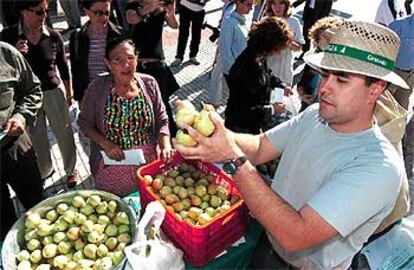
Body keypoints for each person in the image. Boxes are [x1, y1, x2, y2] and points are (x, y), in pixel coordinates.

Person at [173, 20, 407, 269]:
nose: (324, 87)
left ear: (375, 90)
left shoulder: (379, 168)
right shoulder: (314, 115)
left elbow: (296, 235)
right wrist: (212, 135)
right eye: (325, 75)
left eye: (341, 79)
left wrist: (233, 158)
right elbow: (261, 146)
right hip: (267, 242)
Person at [78, 38, 174, 197]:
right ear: (108, 64)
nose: (126, 64)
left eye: (130, 58)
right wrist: (106, 144)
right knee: (118, 210)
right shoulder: (97, 88)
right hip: (113, 162)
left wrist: (165, 145)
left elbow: (162, 118)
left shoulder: (149, 83)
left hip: (148, 164)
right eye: (118, 60)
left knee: (149, 201)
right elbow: (84, 122)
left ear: (137, 59)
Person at [1, 0, 79, 186]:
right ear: (23, 11)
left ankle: (70, 169)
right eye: (38, 12)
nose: (43, 16)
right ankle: (45, 170)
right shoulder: (8, 37)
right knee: (37, 139)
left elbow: (62, 66)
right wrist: (15, 54)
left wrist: (68, 95)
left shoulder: (52, 35)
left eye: (45, 11)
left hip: (52, 93)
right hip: (26, 99)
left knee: (64, 134)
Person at [0, 41, 44, 240]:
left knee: (38, 210)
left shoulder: (6, 53)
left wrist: (21, 116)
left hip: (16, 147)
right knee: (3, 224)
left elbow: (33, 90)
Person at [224, 17, 292, 134]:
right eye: (277, 49)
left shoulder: (258, 57)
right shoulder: (244, 69)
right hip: (240, 128)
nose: (279, 52)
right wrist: (272, 109)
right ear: (268, 45)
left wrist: (281, 85)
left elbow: (268, 74)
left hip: (252, 124)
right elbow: (243, 111)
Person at [126, 0, 180, 136]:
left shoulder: (160, 9)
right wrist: (150, 7)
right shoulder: (134, 6)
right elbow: (131, 18)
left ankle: (171, 138)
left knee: (163, 105)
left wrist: (171, 13)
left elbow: (174, 25)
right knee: (141, 106)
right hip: (139, 68)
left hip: (157, 66)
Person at [70, 0, 125, 104]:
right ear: (87, 11)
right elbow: (76, 70)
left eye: (107, 13)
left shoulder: (119, 35)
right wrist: (79, 98)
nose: (103, 18)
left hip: (115, 96)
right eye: (98, 13)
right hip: (89, 96)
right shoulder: (77, 37)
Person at [389, 13, 414, 211]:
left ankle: (392, 147)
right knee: (381, 108)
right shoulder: (399, 25)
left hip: (410, 77)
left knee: (400, 114)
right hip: (393, 73)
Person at [207, 0, 252, 107]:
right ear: (238, 3)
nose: (251, 8)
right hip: (230, 68)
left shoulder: (244, 18)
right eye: (248, 5)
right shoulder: (229, 21)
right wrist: (234, 71)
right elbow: (225, 49)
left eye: (252, 5)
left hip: (238, 67)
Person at [264, 0, 304, 86]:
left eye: (281, 3)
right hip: (267, 73)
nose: (277, 7)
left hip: (285, 74)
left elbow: (299, 48)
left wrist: (286, 41)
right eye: (274, 3)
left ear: (286, 5)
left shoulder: (294, 22)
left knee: (280, 98)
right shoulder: (265, 21)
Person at [170, 0, 209, 66]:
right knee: (183, 34)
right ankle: (179, 57)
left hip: (199, 11)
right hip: (185, 9)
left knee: (196, 35)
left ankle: (193, 56)